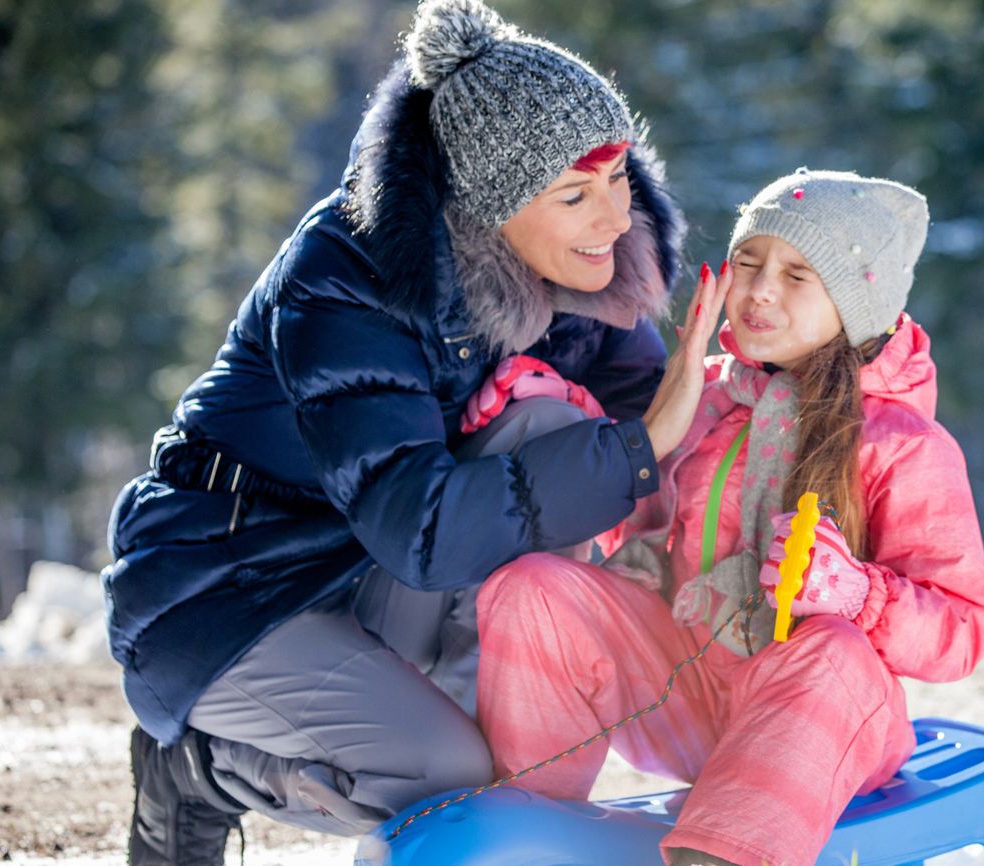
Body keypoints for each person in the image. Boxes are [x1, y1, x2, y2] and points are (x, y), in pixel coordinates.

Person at [99, 1, 725, 862]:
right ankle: (199, 769)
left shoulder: (582, 266)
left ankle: (465, 802)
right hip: (230, 583)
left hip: (368, 562)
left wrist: (798, 435)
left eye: (619, 178)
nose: (615, 219)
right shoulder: (349, 275)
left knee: (550, 425)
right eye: (576, 194)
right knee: (445, 780)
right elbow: (424, 527)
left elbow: (662, 411)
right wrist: (635, 448)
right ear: (487, 204)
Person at [475, 169, 984, 866]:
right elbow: (632, 531)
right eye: (748, 263)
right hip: (688, 694)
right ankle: (529, 835)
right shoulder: (708, 398)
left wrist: (856, 593)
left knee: (834, 651)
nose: (757, 292)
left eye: (795, 276)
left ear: (855, 303)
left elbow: (966, 628)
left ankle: (721, 857)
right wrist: (568, 422)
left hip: (821, 720)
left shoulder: (901, 444)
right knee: (534, 587)